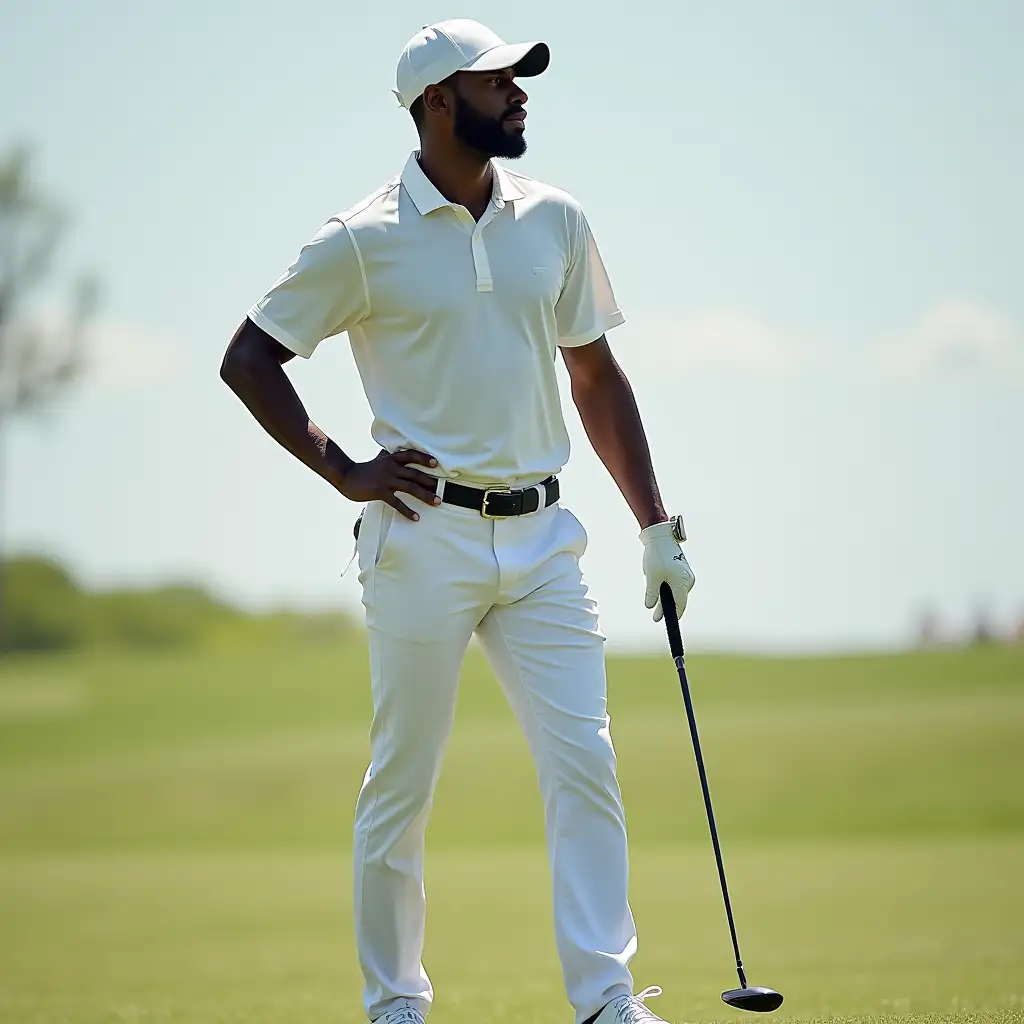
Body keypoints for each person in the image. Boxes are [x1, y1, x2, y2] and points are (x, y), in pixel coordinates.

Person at [220, 19, 695, 1024]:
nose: (520, 97)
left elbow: (594, 374)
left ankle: (607, 1001)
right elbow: (249, 359)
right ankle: (396, 1003)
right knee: (403, 782)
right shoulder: (360, 238)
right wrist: (342, 467)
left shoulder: (555, 220)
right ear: (438, 102)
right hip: (420, 535)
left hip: (542, 539)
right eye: (497, 84)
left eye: (519, 82)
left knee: (586, 765)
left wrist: (654, 526)